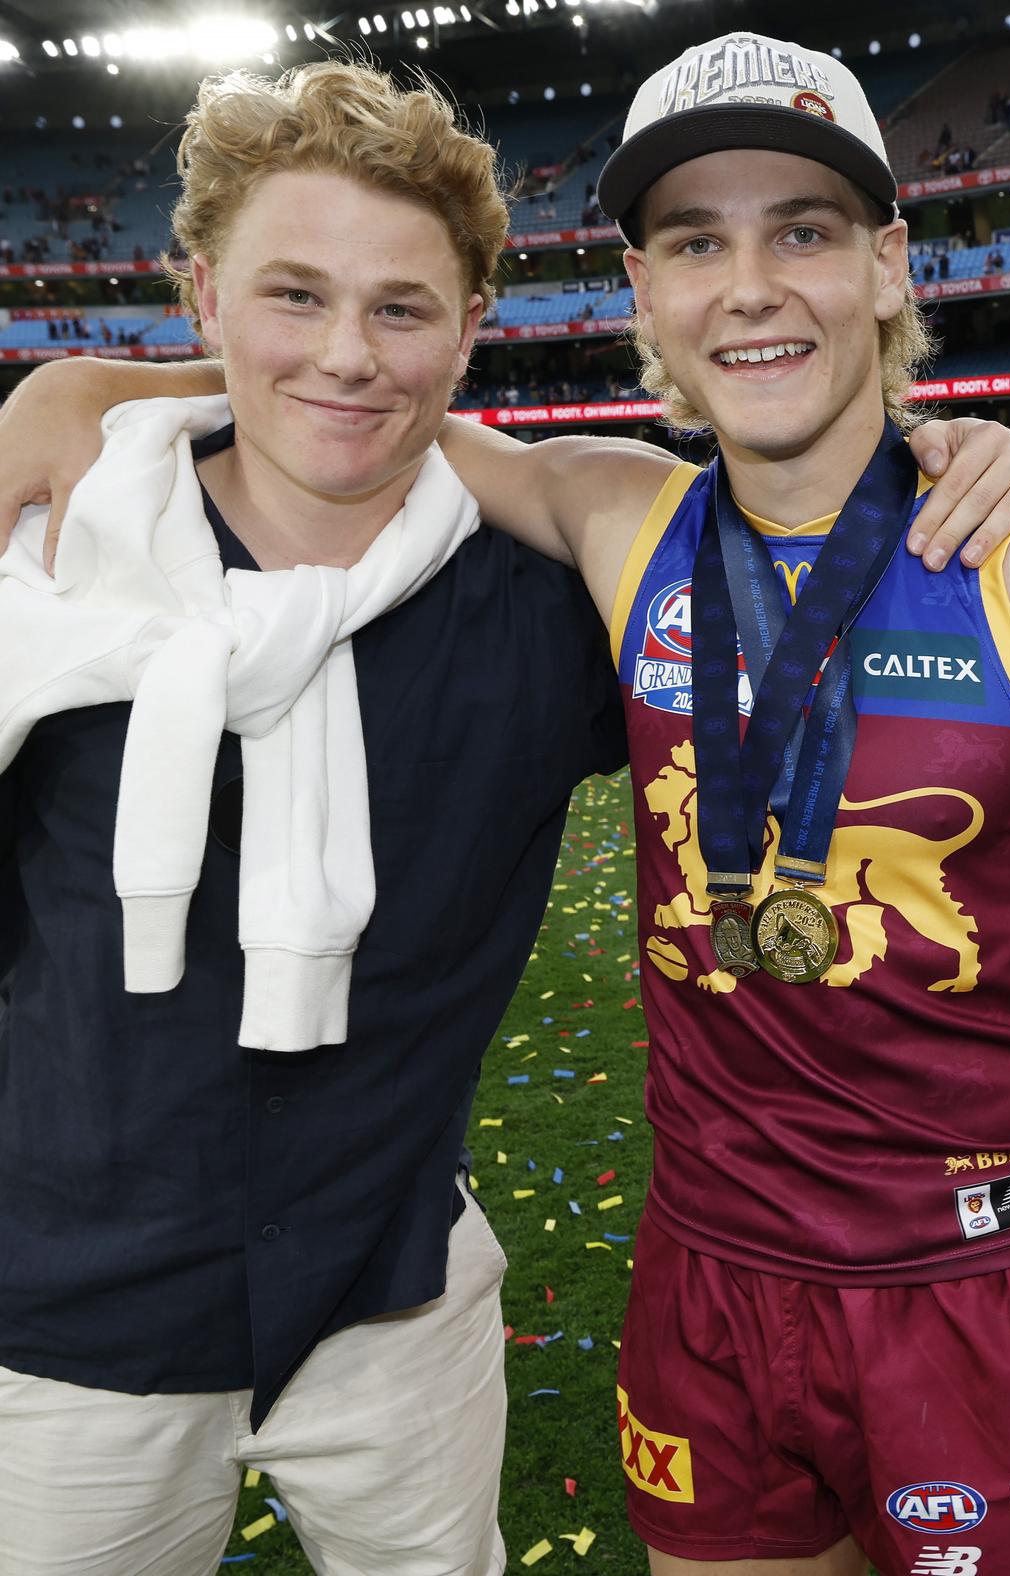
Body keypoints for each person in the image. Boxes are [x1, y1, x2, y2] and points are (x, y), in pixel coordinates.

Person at [6, 35, 1010, 1576]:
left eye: (802, 231)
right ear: (644, 298)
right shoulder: (604, 521)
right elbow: (350, 387)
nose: (748, 286)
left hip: (936, 1278)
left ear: (891, 264)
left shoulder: (968, 554)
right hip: (692, 1279)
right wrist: (86, 378)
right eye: (695, 242)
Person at [0, 60, 628, 1576]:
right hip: (59, 1326)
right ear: (204, 295)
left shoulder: (556, 608)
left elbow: (802, 537)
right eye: (294, 294)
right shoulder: (44, 565)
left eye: (402, 309)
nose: (348, 355)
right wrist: (79, 385)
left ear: (476, 328)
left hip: (392, 1302)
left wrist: (971, 452)